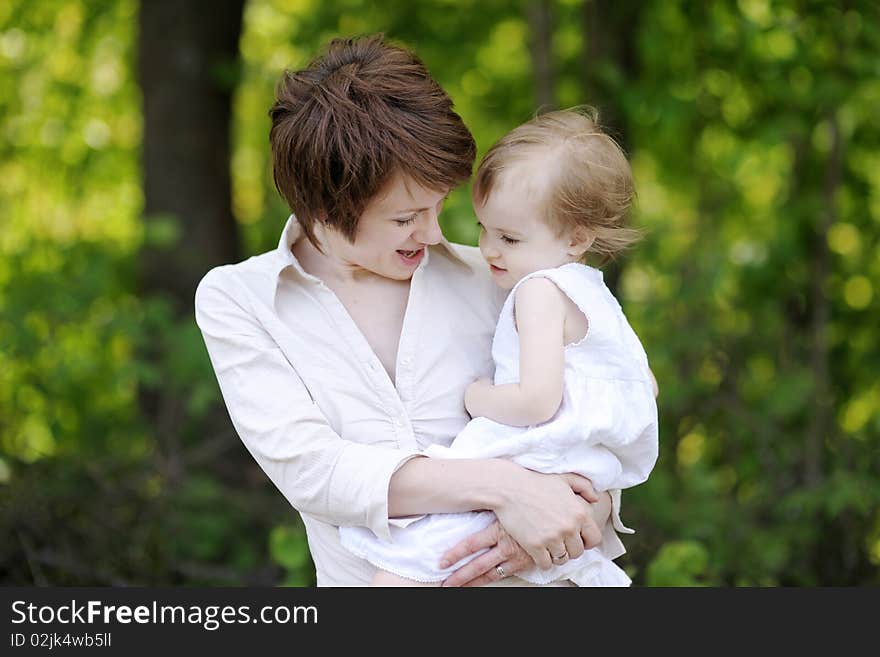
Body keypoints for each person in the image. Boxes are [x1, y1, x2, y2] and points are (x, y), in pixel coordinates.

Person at [195, 34, 639, 587]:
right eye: (406, 218)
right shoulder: (243, 300)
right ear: (326, 210)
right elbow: (315, 471)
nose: (431, 233)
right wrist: (509, 489)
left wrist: (567, 520)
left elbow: (594, 429)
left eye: (439, 207)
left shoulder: (505, 280)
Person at [339, 109, 659, 586]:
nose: (489, 249)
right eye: (485, 228)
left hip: (533, 457)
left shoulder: (537, 292)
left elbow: (536, 401)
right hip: (583, 468)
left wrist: (478, 396)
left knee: (403, 567)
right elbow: (647, 386)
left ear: (577, 237)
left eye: (509, 237)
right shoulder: (597, 296)